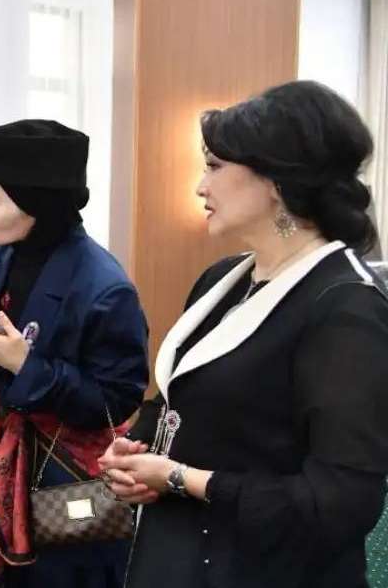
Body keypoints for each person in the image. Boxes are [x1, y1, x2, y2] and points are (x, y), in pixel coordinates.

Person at [100, 80, 388, 587]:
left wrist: (180, 477)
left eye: (214, 167)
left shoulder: (346, 307)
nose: (200, 186)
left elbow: (340, 502)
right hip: (181, 555)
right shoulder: (224, 278)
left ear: (275, 180)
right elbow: (187, 396)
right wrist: (136, 447)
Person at [0, 119, 149, 588]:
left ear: (36, 206)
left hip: (68, 484)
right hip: (7, 467)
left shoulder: (105, 288)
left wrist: (26, 366)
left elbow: (116, 401)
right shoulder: (7, 252)